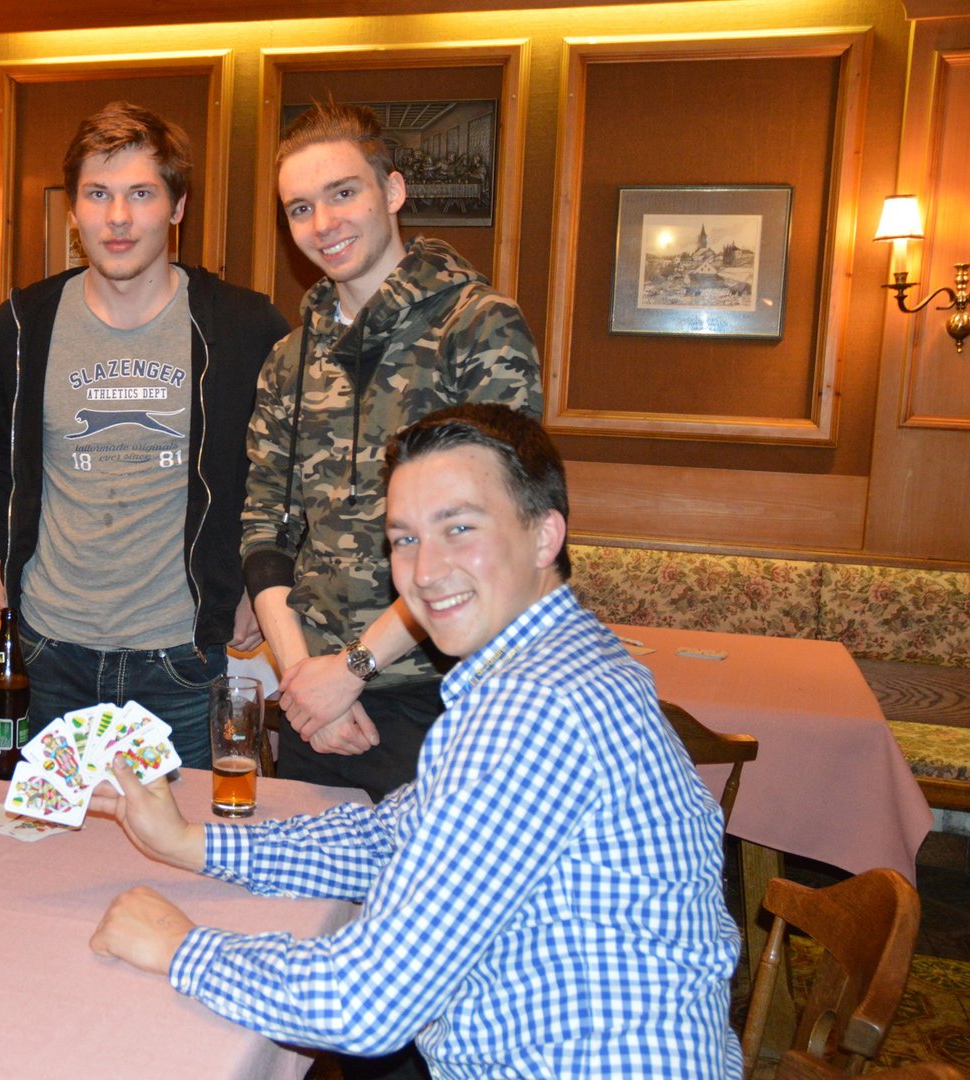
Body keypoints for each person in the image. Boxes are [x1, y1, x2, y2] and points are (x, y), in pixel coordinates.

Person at [89, 403, 742, 1079]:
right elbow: (388, 840)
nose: (425, 571)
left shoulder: (536, 707)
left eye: (459, 527)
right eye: (404, 539)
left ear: (545, 536)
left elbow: (363, 1005)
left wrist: (181, 947)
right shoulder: (555, 665)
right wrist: (187, 843)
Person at [0, 101, 288, 767]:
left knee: (180, 836)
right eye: (97, 194)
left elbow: (288, 468)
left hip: (182, 659)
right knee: (40, 830)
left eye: (141, 194)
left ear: (177, 207)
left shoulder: (244, 326)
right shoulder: (23, 324)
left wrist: (264, 576)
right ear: (73, 209)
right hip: (47, 651)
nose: (117, 217)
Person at [242, 100, 542, 804]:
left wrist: (353, 668)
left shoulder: (479, 327)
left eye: (343, 193)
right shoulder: (289, 357)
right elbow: (264, 529)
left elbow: (489, 532)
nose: (324, 223)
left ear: (393, 191)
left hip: (452, 697)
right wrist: (305, 682)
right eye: (300, 208)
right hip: (318, 709)